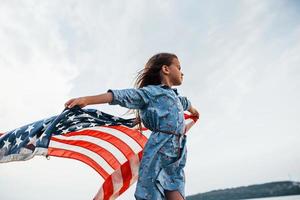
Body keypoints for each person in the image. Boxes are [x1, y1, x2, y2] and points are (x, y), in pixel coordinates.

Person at [64, 53, 199, 200]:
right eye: (179, 67)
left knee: (176, 191)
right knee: (153, 194)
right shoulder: (150, 93)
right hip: (158, 153)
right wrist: (87, 100)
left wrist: (195, 112)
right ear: (166, 69)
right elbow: (121, 96)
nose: (182, 72)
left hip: (177, 156)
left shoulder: (177, 97)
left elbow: (187, 103)